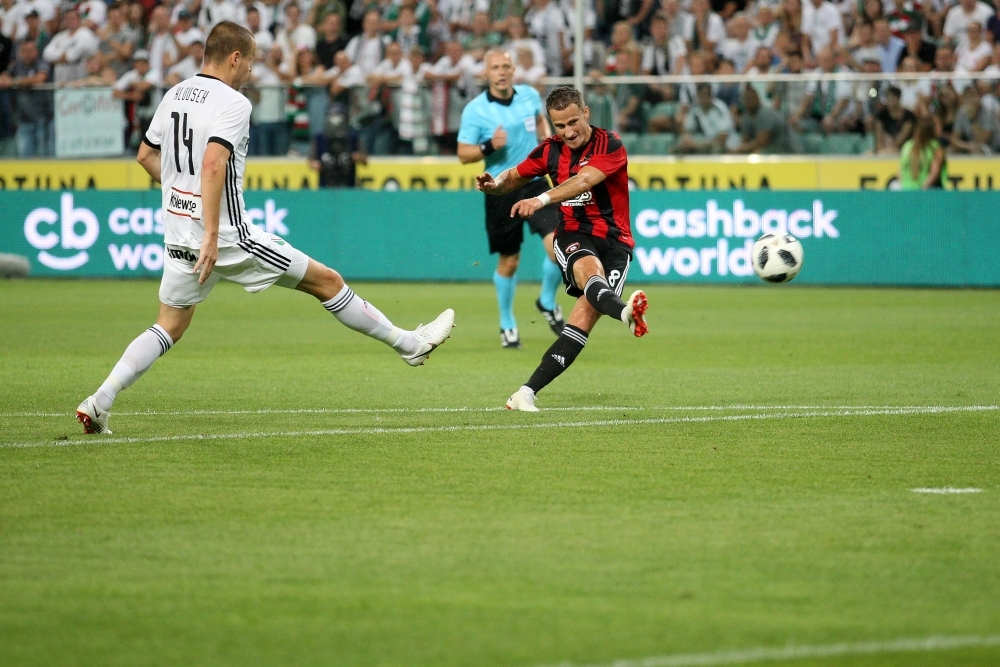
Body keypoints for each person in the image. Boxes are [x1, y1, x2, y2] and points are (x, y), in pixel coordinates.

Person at [75, 21, 454, 435]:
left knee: (170, 323)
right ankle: (410, 346)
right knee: (327, 281)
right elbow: (213, 163)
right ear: (235, 58)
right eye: (251, 62)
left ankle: (100, 401)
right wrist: (210, 233)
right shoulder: (234, 102)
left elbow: (147, 155)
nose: (251, 71)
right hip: (227, 238)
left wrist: (183, 201)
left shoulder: (174, 94)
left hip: (178, 235)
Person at [475, 86, 647, 411]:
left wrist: (540, 199)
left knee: (583, 316)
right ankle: (625, 312)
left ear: (586, 113)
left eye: (573, 122)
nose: (568, 132)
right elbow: (513, 177)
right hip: (572, 233)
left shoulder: (610, 144)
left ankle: (524, 392)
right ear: (552, 125)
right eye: (559, 126)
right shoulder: (549, 151)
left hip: (615, 241)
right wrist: (494, 186)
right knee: (587, 272)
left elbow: (583, 181)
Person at [457, 49, 563, 349]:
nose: (501, 72)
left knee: (559, 245)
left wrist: (546, 145)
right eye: (495, 67)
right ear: (485, 74)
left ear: (514, 70)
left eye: (506, 66)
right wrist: (490, 146)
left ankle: (546, 299)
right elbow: (463, 154)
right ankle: (507, 322)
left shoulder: (529, 95)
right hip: (500, 187)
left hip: (534, 181)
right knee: (510, 261)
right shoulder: (475, 110)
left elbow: (541, 125)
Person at [899, 115, 946, 189]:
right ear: (930, 129)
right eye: (938, 126)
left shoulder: (907, 145)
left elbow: (899, 171)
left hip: (907, 191)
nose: (941, 128)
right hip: (928, 193)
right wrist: (922, 190)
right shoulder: (935, 147)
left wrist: (904, 187)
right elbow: (934, 172)